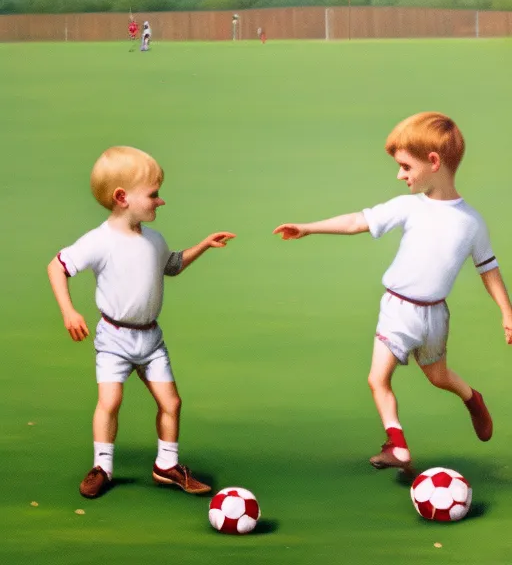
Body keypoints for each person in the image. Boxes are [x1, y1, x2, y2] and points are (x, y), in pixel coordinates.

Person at [273, 112, 512, 474]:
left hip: (435, 315)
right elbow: (357, 221)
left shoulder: (471, 222)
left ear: (433, 162)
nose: (399, 175)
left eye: (405, 166)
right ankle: (397, 446)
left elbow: (488, 268)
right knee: (377, 378)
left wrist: (506, 312)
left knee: (438, 377)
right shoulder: (407, 207)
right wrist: (308, 228)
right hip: (398, 309)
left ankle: (472, 398)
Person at [47, 146, 236, 498]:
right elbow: (56, 267)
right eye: (153, 194)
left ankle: (166, 465)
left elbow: (173, 265)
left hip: (151, 340)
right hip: (114, 339)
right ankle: (102, 466)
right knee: (111, 401)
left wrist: (204, 245)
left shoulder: (154, 240)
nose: (160, 201)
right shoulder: (99, 241)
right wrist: (69, 311)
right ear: (122, 197)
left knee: (172, 403)